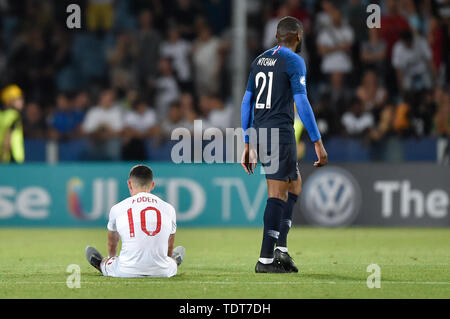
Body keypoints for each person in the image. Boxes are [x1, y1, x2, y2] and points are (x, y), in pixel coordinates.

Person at [240, 17, 328, 273]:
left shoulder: (259, 60)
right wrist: (317, 142)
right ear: (298, 37)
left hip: (263, 132)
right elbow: (302, 103)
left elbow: (247, 102)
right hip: (279, 132)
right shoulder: (294, 60)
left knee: (294, 184)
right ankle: (265, 260)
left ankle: (282, 249)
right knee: (277, 193)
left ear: (277, 36)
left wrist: (247, 141)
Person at [85, 165, 186, 278]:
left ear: (129, 184)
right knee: (174, 257)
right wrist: (166, 261)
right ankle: (174, 262)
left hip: (125, 271)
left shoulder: (117, 208)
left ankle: (103, 265)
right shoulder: (169, 208)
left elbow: (112, 243)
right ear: (152, 185)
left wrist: (111, 259)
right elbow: (169, 244)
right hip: (162, 272)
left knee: (104, 261)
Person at [0, 84, 25, 163]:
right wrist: (5, 152)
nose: (22, 101)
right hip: (12, 156)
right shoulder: (14, 115)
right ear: (8, 101)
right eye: (18, 99)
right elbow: (9, 135)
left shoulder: (2, 115)